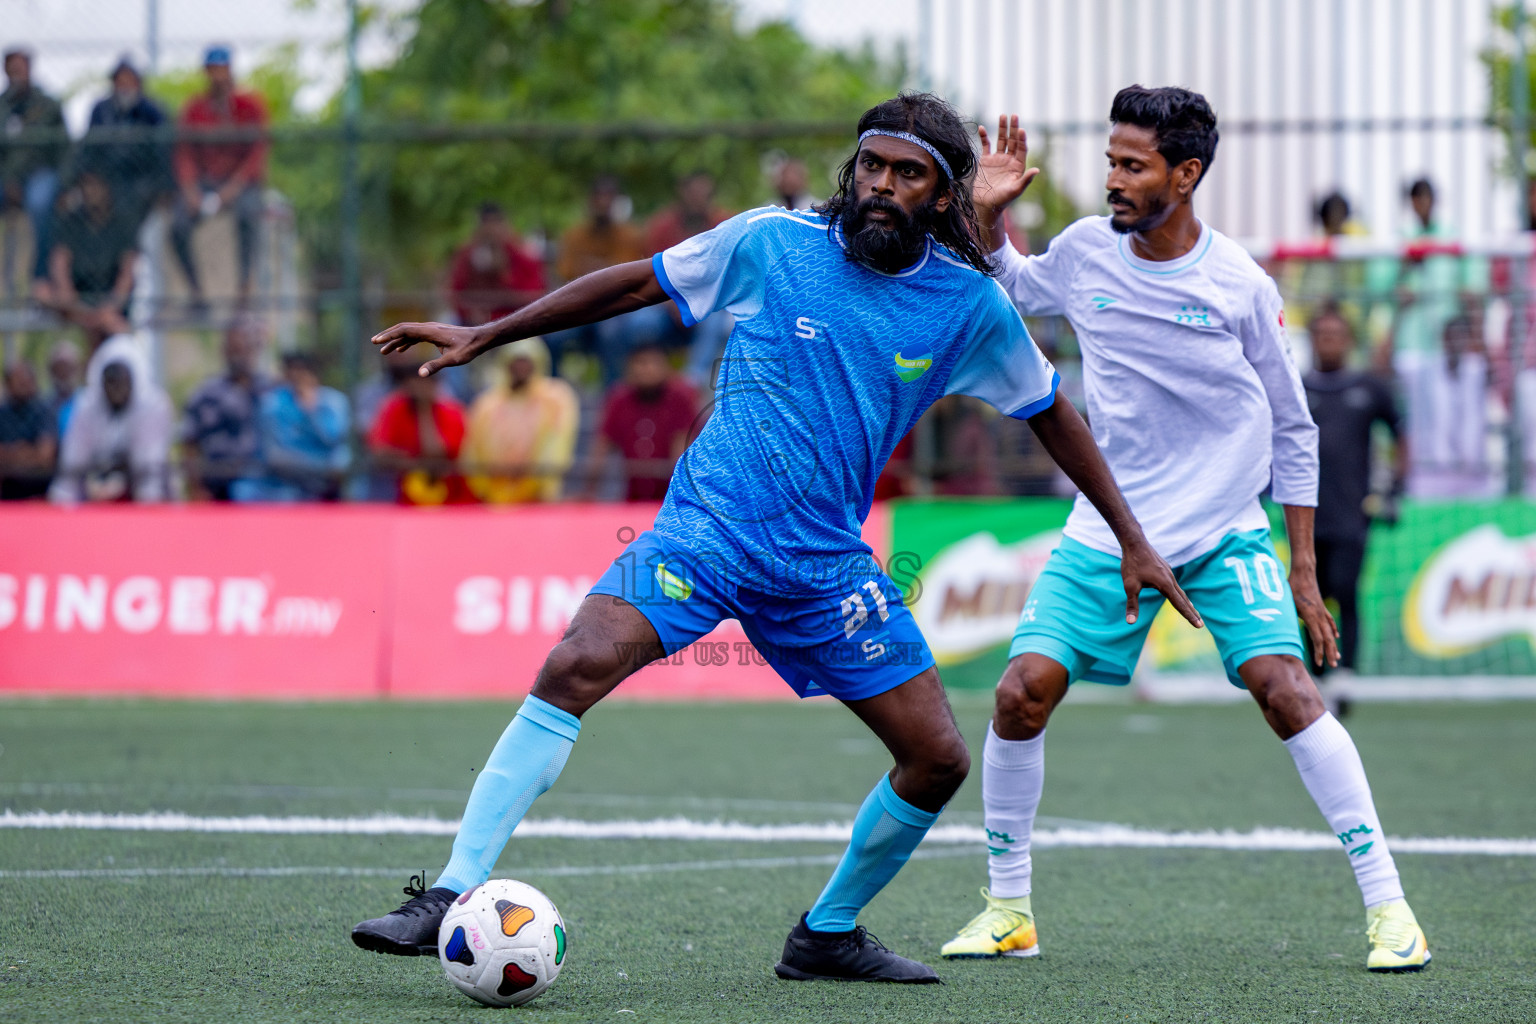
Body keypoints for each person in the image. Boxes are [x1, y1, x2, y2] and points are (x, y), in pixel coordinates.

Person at [353, 92, 1195, 984]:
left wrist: (1131, 537)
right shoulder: (773, 242)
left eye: (908, 174)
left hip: (825, 567)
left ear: (943, 196)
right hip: (705, 531)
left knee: (938, 758)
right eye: (871, 164)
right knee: (575, 663)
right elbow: (639, 280)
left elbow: (1051, 414)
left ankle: (826, 934)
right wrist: (491, 332)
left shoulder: (968, 307)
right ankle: (448, 892)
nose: (879, 185)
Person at [942, 88, 1430, 973]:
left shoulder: (1239, 286)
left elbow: (1294, 427)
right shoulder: (1089, 250)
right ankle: (1009, 908)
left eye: (1133, 166)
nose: (1114, 181)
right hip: (1107, 526)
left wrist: (1304, 570)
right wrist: (987, 217)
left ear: (1187, 173)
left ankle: (1390, 909)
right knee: (1020, 694)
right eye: (1111, 162)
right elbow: (1011, 284)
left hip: (1221, 530)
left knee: (1287, 690)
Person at [1303, 306, 1404, 684]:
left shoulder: (1368, 388)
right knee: (1311, 591)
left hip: (1352, 510)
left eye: (1336, 334)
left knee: (1346, 589)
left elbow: (1399, 432)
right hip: (1305, 512)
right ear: (1312, 340)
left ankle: (1346, 672)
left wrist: (1394, 488)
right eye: (1322, 334)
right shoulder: (1299, 387)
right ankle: (1315, 672)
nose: (1329, 341)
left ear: (1348, 341)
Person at [171, 45, 269, 310]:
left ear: (230, 70)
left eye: (222, 69)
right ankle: (197, 293)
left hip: (240, 183)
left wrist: (232, 190)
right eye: (212, 70)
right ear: (205, 73)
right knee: (178, 225)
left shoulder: (249, 106)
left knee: (249, 214)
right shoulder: (194, 109)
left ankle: (244, 289)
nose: (217, 76)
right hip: (205, 181)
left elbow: (256, 154)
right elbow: (185, 153)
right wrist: (191, 190)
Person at [49, 334, 172, 503]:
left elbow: (149, 467)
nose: (116, 389)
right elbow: (72, 462)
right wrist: (60, 505)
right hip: (96, 488)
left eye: (122, 381)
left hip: (141, 488)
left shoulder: (153, 406)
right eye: (111, 381)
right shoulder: (86, 406)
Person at [548, 176, 648, 378]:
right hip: (579, 306)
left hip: (615, 308)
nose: (603, 204)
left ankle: (612, 395)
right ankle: (557, 391)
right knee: (552, 336)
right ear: (590, 202)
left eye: (608, 199)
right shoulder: (574, 236)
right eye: (598, 198)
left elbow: (628, 277)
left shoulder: (630, 236)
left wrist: (595, 271)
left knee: (611, 334)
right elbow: (564, 275)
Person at [461, 336, 578, 504]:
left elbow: (558, 443)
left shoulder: (555, 399)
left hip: (537, 498)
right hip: (495, 498)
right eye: (517, 361)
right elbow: (472, 451)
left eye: (526, 361)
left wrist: (537, 478)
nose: (521, 367)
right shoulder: (487, 404)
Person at [33, 169, 138, 348]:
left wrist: (111, 306)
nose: (90, 191)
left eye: (95, 185)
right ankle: (98, 323)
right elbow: (60, 265)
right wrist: (78, 306)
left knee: (115, 318)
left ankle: (101, 324)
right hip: (78, 301)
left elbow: (127, 274)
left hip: (109, 297)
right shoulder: (70, 221)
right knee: (41, 292)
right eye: (86, 185)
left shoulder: (122, 223)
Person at [582, 342, 698, 501]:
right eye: (640, 363)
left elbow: (681, 449)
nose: (646, 369)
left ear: (666, 368)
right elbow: (602, 446)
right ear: (628, 369)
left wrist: (681, 498)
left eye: (653, 362)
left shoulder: (680, 397)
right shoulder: (619, 399)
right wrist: (589, 491)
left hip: (672, 498)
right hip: (632, 497)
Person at [232, 351, 349, 502]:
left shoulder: (334, 402)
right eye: (292, 372)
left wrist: (311, 411)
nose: (297, 379)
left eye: (303, 373)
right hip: (280, 485)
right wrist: (319, 468)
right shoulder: (272, 403)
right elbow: (275, 457)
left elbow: (334, 445)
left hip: (320, 487)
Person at [180, 316, 272, 500]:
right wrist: (196, 490)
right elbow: (189, 445)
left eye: (245, 349)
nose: (240, 356)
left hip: (262, 489)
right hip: (216, 488)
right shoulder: (205, 394)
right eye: (234, 349)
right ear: (224, 351)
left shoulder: (269, 392)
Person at [367, 354, 473, 505]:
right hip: (399, 495)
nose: (419, 388)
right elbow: (380, 454)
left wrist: (424, 409)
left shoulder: (452, 412)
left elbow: (435, 453)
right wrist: (416, 462)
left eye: (425, 383)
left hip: (448, 497)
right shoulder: (393, 408)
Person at [81, 56, 171, 227]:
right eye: (120, 82)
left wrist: (161, 186)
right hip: (108, 176)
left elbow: (164, 152)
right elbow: (88, 150)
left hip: (143, 179)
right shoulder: (101, 110)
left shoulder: (153, 110)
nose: (125, 87)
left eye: (130, 81)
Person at [0, 47, 65, 281]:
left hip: (40, 173)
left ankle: (40, 278)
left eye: (21, 68)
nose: (16, 74)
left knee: (39, 204)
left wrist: (66, 185)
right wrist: (9, 180)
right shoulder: (2, 107)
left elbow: (63, 150)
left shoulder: (48, 105)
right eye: (11, 69)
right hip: (6, 177)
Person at [447, 201, 546, 328]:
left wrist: (504, 274)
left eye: (495, 224)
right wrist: (470, 312)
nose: (491, 231)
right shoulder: (467, 255)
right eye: (486, 225)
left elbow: (535, 295)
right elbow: (455, 293)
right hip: (472, 326)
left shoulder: (522, 254)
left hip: (516, 325)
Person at [0, 358, 57, 499]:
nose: (23, 383)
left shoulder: (44, 410)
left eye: (26, 379)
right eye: (18, 380)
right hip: (6, 486)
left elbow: (45, 456)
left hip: (40, 487)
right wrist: (25, 452)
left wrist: (10, 453)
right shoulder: (2, 412)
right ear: (8, 383)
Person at [45, 339, 82, 438]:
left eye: (68, 367)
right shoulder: (44, 404)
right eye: (59, 367)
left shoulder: (87, 400)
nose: (63, 372)